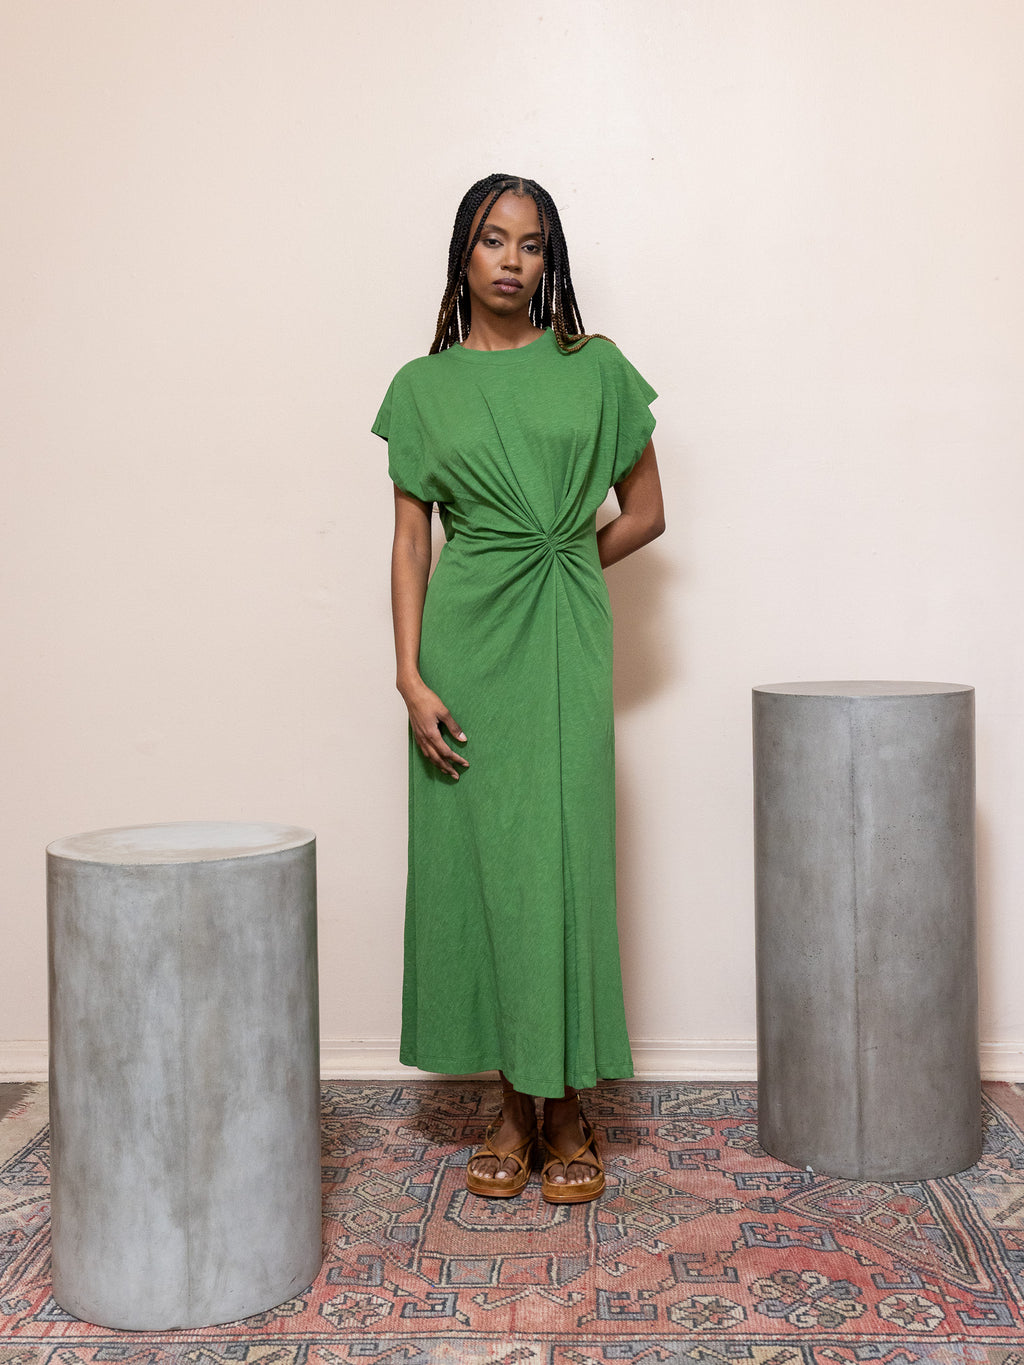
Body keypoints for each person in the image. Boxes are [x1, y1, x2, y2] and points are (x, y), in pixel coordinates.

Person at [373, 173, 665, 1204]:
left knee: (563, 859)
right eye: (493, 239)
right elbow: (412, 543)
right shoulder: (422, 386)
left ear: (551, 261)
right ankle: (510, 1105)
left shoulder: (596, 369)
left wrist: (563, 558)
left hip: (564, 636)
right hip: (464, 648)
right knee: (487, 870)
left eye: (531, 244)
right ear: (464, 251)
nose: (511, 260)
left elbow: (645, 512)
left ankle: (569, 1105)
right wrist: (409, 674)